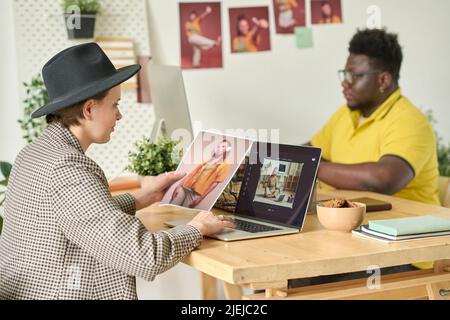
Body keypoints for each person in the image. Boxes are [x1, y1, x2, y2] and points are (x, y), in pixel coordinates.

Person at [0, 43, 233, 300]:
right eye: (115, 104)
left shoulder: (34, 153)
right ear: (89, 109)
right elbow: (143, 256)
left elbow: (76, 216)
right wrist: (196, 229)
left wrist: (143, 197)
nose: (120, 115)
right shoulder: (68, 169)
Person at [306, 28, 439, 274]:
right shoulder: (346, 115)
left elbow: (382, 179)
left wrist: (314, 166)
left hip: (401, 251)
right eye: (345, 73)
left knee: (302, 275)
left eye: (355, 75)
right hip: (349, 239)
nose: (345, 82)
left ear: (383, 80)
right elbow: (309, 151)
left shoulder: (408, 120)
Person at [171, 139, 232, 209]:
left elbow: (214, 185)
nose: (219, 147)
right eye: (219, 145)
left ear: (227, 150)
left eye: (223, 146)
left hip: (195, 193)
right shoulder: (208, 159)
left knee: (183, 212)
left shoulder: (225, 165)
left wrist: (201, 199)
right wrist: (178, 186)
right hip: (185, 186)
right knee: (171, 207)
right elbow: (192, 173)